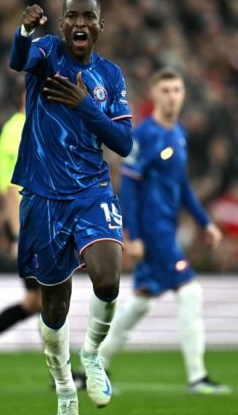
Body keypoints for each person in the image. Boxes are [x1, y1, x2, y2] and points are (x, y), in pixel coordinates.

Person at [8, 0, 133, 415]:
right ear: (61, 24)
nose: (81, 23)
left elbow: (123, 143)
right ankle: (65, 394)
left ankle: (93, 354)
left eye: (89, 17)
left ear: (100, 26)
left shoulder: (110, 76)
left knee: (108, 278)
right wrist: (24, 31)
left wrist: (86, 105)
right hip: (43, 197)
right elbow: (17, 59)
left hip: (91, 190)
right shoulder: (45, 52)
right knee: (55, 308)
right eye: (73, 16)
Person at [98, 67, 231, 395]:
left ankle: (92, 365)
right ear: (154, 95)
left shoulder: (178, 133)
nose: (173, 96)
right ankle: (197, 377)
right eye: (166, 90)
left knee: (141, 301)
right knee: (190, 292)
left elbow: (182, 186)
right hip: (153, 231)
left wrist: (205, 223)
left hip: (166, 228)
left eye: (177, 90)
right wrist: (134, 235)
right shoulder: (144, 135)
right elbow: (128, 187)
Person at [0, 84, 86, 389]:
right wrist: (17, 235)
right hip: (30, 225)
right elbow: (12, 190)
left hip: (40, 222)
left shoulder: (34, 126)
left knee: (35, 302)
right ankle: (61, 375)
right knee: (53, 298)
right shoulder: (19, 131)